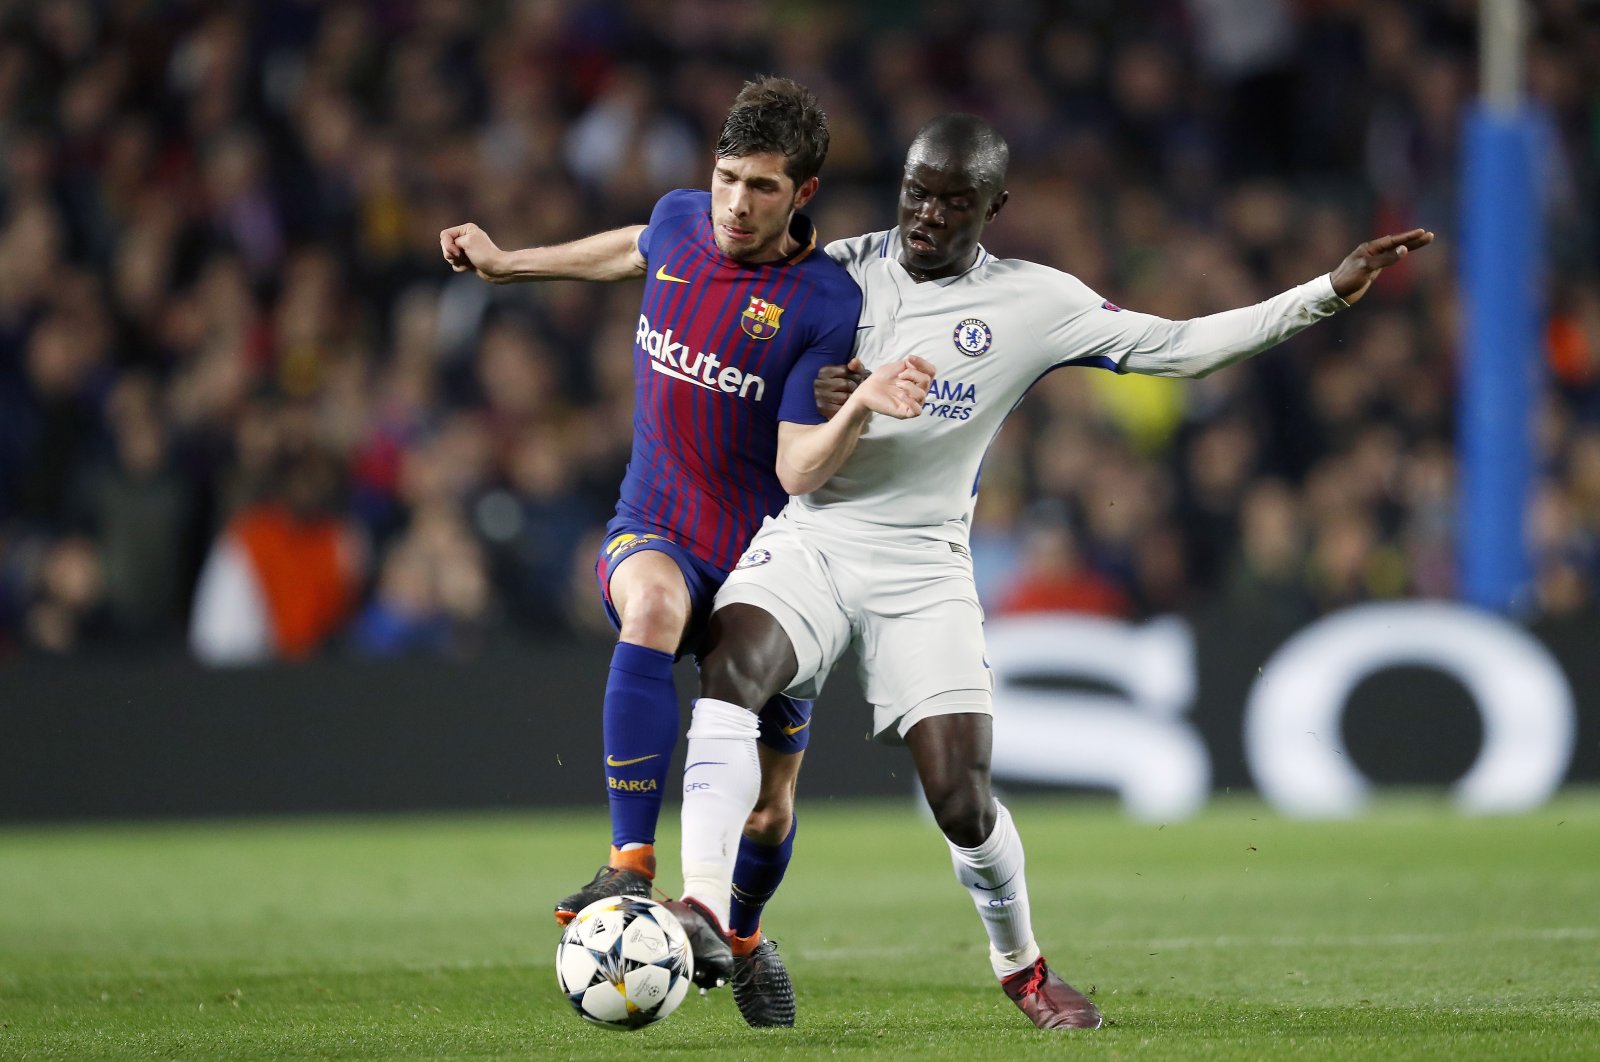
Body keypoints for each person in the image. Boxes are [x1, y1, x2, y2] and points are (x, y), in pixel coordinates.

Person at [671, 113, 1433, 1028]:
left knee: (960, 798)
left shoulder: (1036, 302)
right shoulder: (835, 270)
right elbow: (692, 283)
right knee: (733, 667)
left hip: (923, 566)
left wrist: (1326, 292)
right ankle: (702, 910)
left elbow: (1181, 347)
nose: (927, 215)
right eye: (918, 192)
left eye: (954, 203)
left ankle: (1023, 967)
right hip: (815, 535)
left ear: (994, 207)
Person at [438, 78, 931, 999]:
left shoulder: (822, 302)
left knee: (769, 805)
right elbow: (627, 249)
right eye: (726, 177)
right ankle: (630, 860)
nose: (736, 204)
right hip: (656, 526)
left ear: (804, 196)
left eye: (763, 188)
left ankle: (741, 941)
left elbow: (797, 471)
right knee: (653, 604)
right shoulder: (677, 220)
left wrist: (857, 401)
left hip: (768, 566)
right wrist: (511, 265)